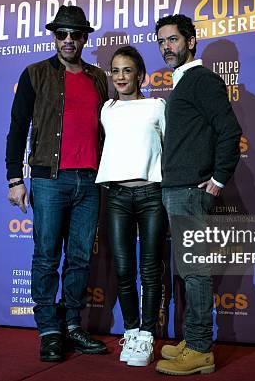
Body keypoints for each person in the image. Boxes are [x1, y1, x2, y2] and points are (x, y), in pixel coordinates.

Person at [5, 5, 109, 362]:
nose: (68, 40)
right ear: (54, 36)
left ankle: (72, 325)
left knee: (79, 258)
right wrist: (14, 178)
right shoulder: (35, 74)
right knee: (47, 257)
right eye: (61, 34)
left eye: (75, 34)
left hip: (90, 181)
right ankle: (49, 329)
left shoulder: (98, 78)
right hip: (49, 180)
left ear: (84, 38)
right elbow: (17, 128)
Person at [153, 15, 242, 376]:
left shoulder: (201, 80)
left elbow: (229, 131)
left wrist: (218, 181)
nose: (165, 47)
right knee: (190, 272)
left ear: (190, 42)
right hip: (177, 189)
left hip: (191, 190)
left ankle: (202, 349)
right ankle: (193, 339)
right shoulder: (184, 83)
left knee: (196, 273)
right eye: (161, 41)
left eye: (173, 40)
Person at [95, 46, 166, 367]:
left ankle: (148, 334)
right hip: (117, 198)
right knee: (124, 269)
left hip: (152, 195)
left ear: (141, 75)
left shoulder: (156, 106)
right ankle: (132, 330)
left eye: (127, 70)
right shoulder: (106, 109)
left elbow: (170, 148)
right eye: (115, 71)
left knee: (151, 270)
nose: (120, 77)